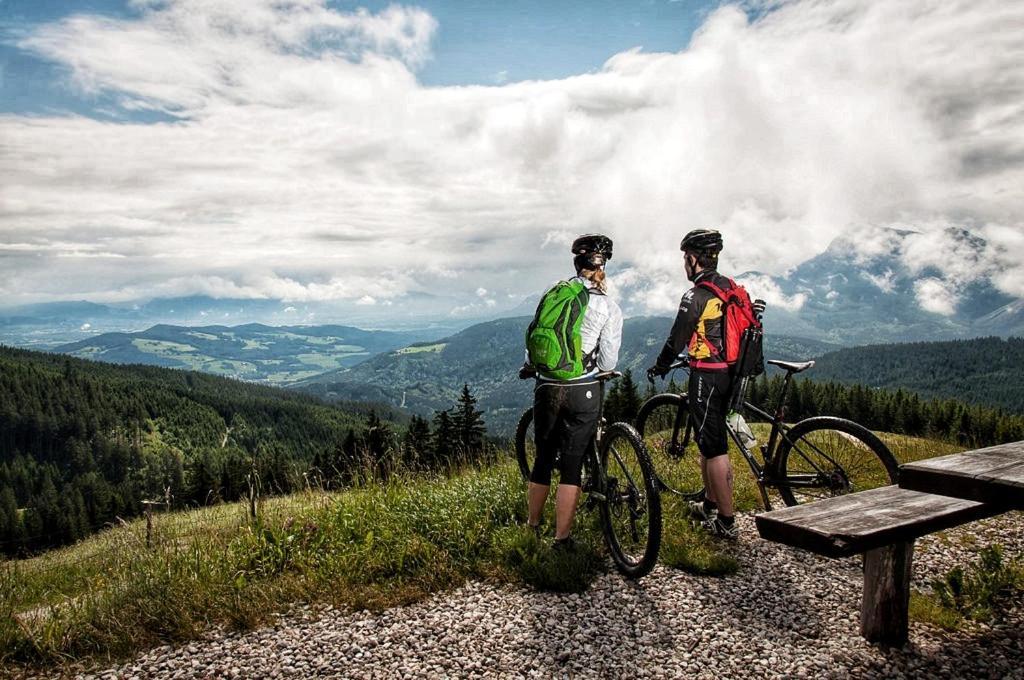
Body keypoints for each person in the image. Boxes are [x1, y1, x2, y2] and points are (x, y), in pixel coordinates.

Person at [524, 234, 623, 549]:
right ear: (602, 265)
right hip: (583, 388)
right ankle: (562, 538)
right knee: (571, 463)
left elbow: (537, 339)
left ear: (576, 263)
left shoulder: (553, 292)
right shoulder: (607, 305)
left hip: (547, 386)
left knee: (542, 459)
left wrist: (532, 367)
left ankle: (532, 527)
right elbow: (608, 359)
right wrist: (601, 369)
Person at [647, 228, 739, 539]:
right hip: (730, 372)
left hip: (708, 374)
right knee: (708, 438)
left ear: (692, 258)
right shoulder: (728, 287)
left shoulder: (696, 295)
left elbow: (677, 338)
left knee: (714, 448)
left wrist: (661, 365)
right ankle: (709, 504)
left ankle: (726, 522)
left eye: (685, 259)